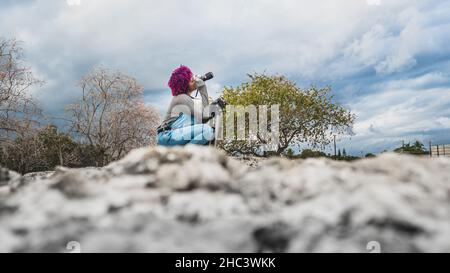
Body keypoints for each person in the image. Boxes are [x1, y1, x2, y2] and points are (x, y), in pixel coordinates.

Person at [157, 65, 215, 146]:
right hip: (167, 135)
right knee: (207, 131)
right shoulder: (181, 98)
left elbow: (203, 115)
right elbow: (204, 114)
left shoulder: (187, 98)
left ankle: (187, 154)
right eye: (191, 79)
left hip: (172, 136)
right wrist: (202, 87)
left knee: (205, 133)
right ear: (183, 84)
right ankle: (186, 154)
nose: (194, 80)